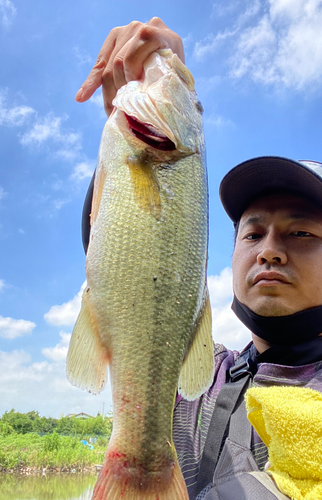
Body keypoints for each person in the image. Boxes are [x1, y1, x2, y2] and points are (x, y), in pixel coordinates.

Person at [76, 19, 322, 500]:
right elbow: (120, 258)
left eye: (302, 232)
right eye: (252, 232)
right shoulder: (197, 380)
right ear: (228, 257)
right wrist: (158, 79)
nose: (270, 249)